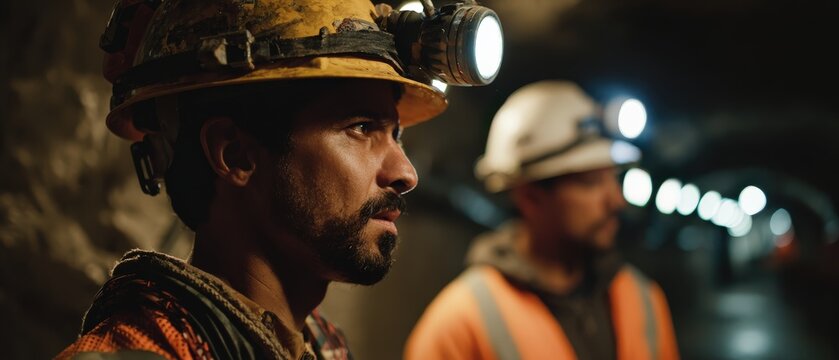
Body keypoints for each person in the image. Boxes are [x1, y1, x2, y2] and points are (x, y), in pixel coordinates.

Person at [55, 0, 457, 359]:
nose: (406, 173)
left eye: (395, 134)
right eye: (361, 127)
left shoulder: (320, 348)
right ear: (236, 155)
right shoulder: (144, 351)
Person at [405, 80, 679, 360]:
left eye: (614, 178)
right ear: (530, 198)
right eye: (591, 183)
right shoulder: (460, 325)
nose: (616, 201)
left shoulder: (643, 298)